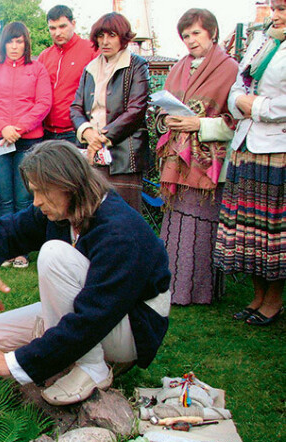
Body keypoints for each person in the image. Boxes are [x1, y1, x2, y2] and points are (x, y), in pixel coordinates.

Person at [0, 140, 170, 406]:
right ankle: (66, 352)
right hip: (100, 313)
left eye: (42, 192)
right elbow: (6, 230)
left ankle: (93, 367)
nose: (36, 202)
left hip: (134, 324)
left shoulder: (119, 231)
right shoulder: (61, 211)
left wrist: (13, 364)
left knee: (53, 255)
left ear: (68, 183)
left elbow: (93, 316)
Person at [156, 9, 238, 305]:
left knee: (201, 223)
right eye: (186, 35)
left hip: (207, 160)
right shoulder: (179, 67)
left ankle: (199, 292)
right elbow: (164, 108)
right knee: (176, 220)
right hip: (177, 158)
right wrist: (168, 120)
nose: (190, 40)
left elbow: (236, 122)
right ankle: (171, 287)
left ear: (212, 33)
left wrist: (198, 124)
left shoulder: (230, 69)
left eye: (196, 33)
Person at [214, 0, 286, 326]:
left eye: (283, 8)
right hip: (247, 144)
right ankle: (257, 297)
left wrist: (252, 105)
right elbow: (236, 87)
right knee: (250, 229)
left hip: (276, 147)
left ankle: (274, 301)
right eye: (274, 7)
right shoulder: (262, 40)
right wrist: (239, 100)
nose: (276, 15)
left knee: (272, 230)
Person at [0, 21, 52, 268]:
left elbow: (43, 103)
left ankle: (21, 250)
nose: (14, 46)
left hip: (27, 141)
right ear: (3, 43)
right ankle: (5, 248)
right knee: (4, 198)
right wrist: (3, 128)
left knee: (24, 198)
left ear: (26, 43)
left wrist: (18, 129)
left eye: (19, 41)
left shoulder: (38, 69)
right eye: (10, 41)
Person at [70, 12, 150, 212]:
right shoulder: (90, 68)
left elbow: (136, 110)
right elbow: (76, 108)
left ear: (123, 37)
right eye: (101, 36)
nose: (105, 41)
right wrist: (87, 132)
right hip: (90, 153)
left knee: (123, 216)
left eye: (112, 35)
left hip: (123, 156)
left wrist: (102, 138)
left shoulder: (137, 65)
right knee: (91, 214)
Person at [38, 5, 98, 144]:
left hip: (76, 131)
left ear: (73, 24)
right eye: (52, 28)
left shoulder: (91, 51)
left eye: (62, 26)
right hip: (47, 133)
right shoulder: (44, 56)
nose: (57, 32)